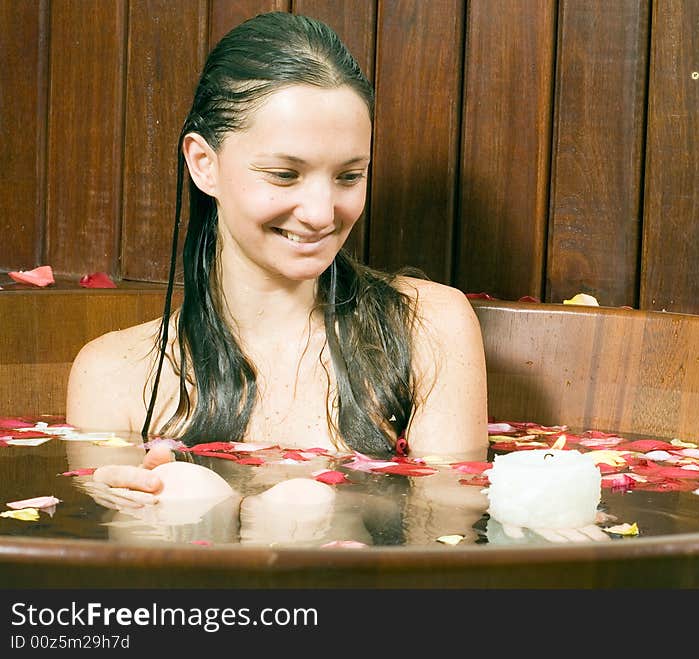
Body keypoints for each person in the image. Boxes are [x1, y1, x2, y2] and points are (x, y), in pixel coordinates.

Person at [65, 11, 489, 498]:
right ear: (204, 164)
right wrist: (155, 521)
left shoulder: (429, 327)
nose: (321, 212)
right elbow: (126, 568)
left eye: (349, 176)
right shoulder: (113, 374)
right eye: (285, 175)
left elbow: (442, 536)